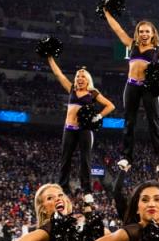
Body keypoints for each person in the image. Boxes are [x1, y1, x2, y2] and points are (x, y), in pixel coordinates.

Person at [102, 10, 159, 173]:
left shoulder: (158, 50)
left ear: (153, 34)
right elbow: (118, 29)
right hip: (131, 86)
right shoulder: (132, 45)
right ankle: (126, 157)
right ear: (137, 33)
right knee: (129, 122)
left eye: (147, 31)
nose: (144, 34)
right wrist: (107, 14)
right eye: (141, 31)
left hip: (148, 88)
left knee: (154, 122)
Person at [45, 57, 115, 198]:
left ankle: (87, 190)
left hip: (84, 130)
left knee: (85, 160)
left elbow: (110, 106)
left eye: (83, 76)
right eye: (78, 76)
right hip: (69, 129)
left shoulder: (92, 92)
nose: (80, 78)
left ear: (88, 80)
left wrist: (98, 116)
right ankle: (63, 187)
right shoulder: (71, 89)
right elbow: (59, 74)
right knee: (65, 159)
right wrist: (50, 58)